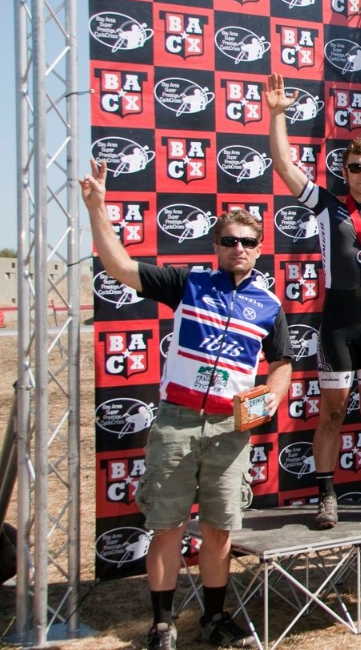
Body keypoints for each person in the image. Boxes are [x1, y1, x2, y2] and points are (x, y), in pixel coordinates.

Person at [81, 160, 291, 650]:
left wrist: (271, 397)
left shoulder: (269, 305)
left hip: (229, 429)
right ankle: (161, 624)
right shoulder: (188, 284)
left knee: (218, 532)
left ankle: (214, 620)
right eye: (228, 241)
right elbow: (118, 266)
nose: (237, 248)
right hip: (176, 422)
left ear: (259, 249)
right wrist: (98, 207)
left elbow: (281, 362)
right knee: (168, 527)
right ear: (215, 246)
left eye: (246, 242)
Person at [266, 73, 361, 529]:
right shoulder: (326, 206)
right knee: (331, 413)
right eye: (356, 167)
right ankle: (326, 496)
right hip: (337, 325)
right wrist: (277, 116)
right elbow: (284, 166)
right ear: (345, 172)